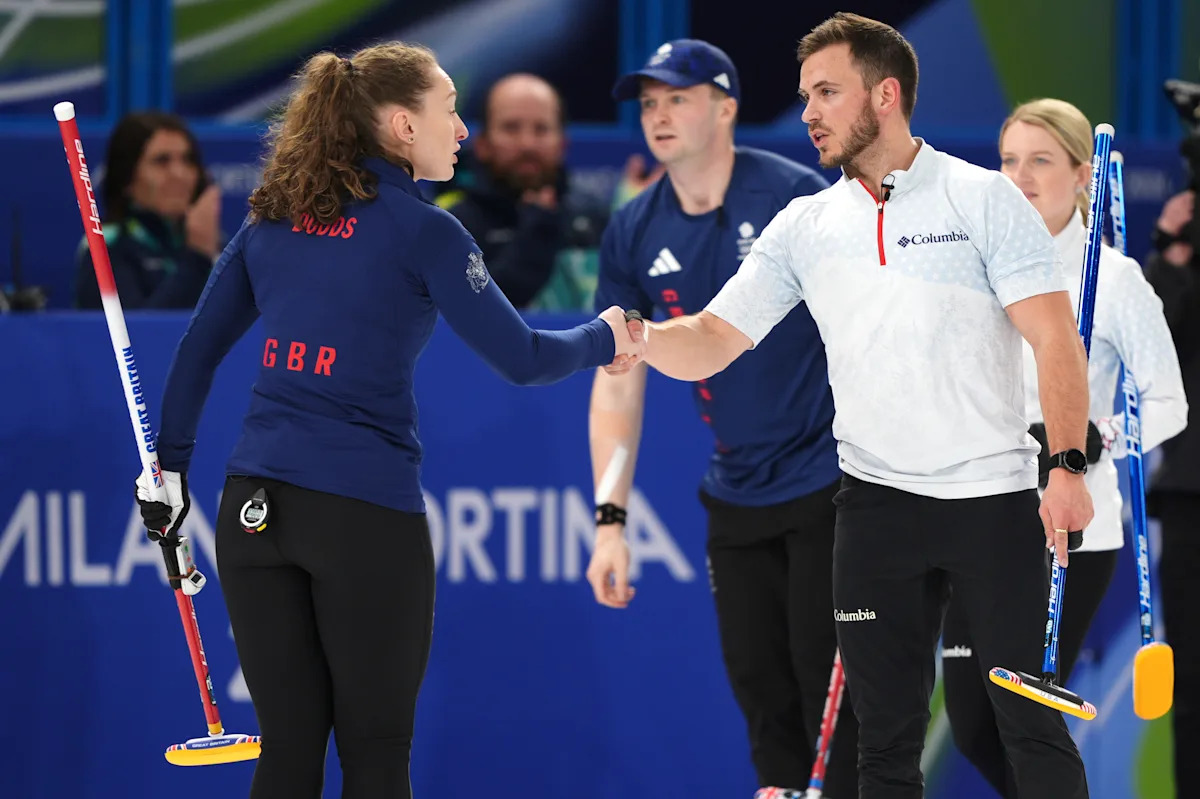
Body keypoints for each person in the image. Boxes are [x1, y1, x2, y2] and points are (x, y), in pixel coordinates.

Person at [132, 43, 640, 799]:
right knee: (374, 755)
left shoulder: (273, 216)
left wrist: (167, 474)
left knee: (288, 753)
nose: (463, 130)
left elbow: (197, 351)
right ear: (403, 126)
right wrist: (607, 335)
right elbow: (525, 358)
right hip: (361, 516)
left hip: (250, 514)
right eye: (450, 111)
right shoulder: (424, 230)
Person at [618, 13, 1095, 798]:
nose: (809, 111)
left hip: (992, 502)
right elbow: (711, 336)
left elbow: (1055, 339)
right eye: (806, 94)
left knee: (1029, 727)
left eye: (827, 92)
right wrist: (637, 335)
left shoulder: (981, 198)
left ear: (887, 93)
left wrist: (1067, 465)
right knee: (880, 739)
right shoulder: (807, 223)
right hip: (874, 509)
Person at [582, 38, 858, 798]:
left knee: (830, 695)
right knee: (761, 695)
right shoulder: (633, 230)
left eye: (678, 97)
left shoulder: (800, 200)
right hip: (736, 492)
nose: (659, 116)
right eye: (648, 103)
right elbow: (616, 384)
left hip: (829, 485)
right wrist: (610, 517)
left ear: (727, 106)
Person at [940, 98, 1188, 797]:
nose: (1020, 175)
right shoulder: (973, 267)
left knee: (1024, 716)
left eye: (1040, 160)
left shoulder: (1113, 279)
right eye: (1009, 160)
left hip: (1072, 522)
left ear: (1083, 174)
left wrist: (1097, 439)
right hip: (979, 517)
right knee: (972, 724)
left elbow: (1167, 402)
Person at [434, 73, 609, 311]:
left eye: (542, 129)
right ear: (483, 145)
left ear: (562, 144)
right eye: (511, 128)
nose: (527, 143)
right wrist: (535, 236)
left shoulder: (594, 217)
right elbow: (466, 313)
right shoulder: (453, 225)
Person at [1144, 185, 1199, 793]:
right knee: (1192, 679)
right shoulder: (1179, 260)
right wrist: (1171, 252)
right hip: (1191, 497)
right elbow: (1148, 352)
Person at [74, 111, 222, 310]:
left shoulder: (219, 245)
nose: (180, 174)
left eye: (188, 160)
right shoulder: (105, 248)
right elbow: (139, 336)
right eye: (161, 161)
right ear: (127, 178)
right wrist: (197, 259)